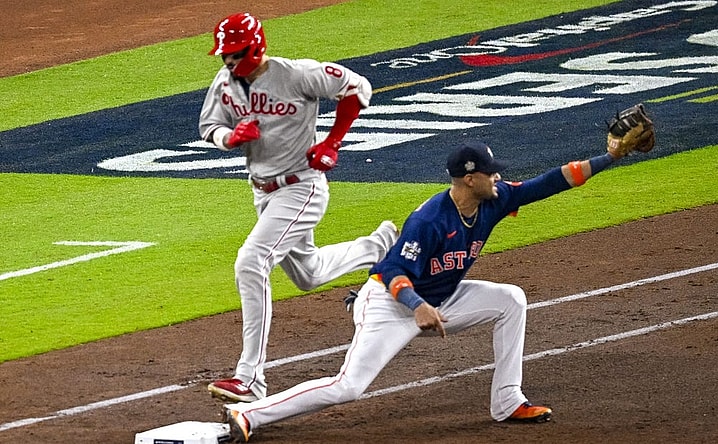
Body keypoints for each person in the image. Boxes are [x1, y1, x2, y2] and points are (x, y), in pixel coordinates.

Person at [221, 135, 650, 442]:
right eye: (489, 173)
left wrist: (610, 156)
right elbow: (392, 271)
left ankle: (507, 400)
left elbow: (550, 182)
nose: (497, 177)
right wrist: (417, 306)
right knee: (349, 386)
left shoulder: (495, 198)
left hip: (442, 298)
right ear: (467, 179)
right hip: (390, 303)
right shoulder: (429, 221)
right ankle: (249, 415)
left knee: (510, 300)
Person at [198, 12, 398, 403]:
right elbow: (210, 126)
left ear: (256, 47)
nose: (228, 63)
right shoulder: (225, 82)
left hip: (301, 187)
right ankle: (378, 248)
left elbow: (358, 88)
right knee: (308, 274)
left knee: (250, 262)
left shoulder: (298, 75)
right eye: (225, 55)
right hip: (262, 192)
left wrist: (332, 142)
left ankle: (250, 378)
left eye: (235, 54)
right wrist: (230, 136)